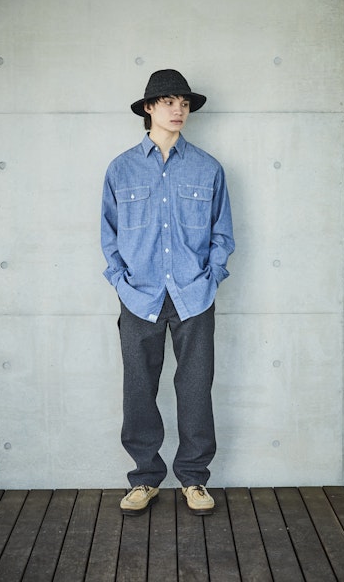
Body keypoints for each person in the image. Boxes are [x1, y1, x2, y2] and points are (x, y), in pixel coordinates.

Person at [101, 69, 234, 516]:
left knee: (196, 389)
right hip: (139, 297)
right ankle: (144, 478)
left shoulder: (208, 168)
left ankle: (194, 479)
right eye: (169, 101)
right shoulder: (121, 169)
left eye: (184, 103)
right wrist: (121, 282)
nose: (179, 110)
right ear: (148, 108)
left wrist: (211, 278)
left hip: (194, 297)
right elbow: (108, 234)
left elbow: (222, 233)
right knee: (138, 389)